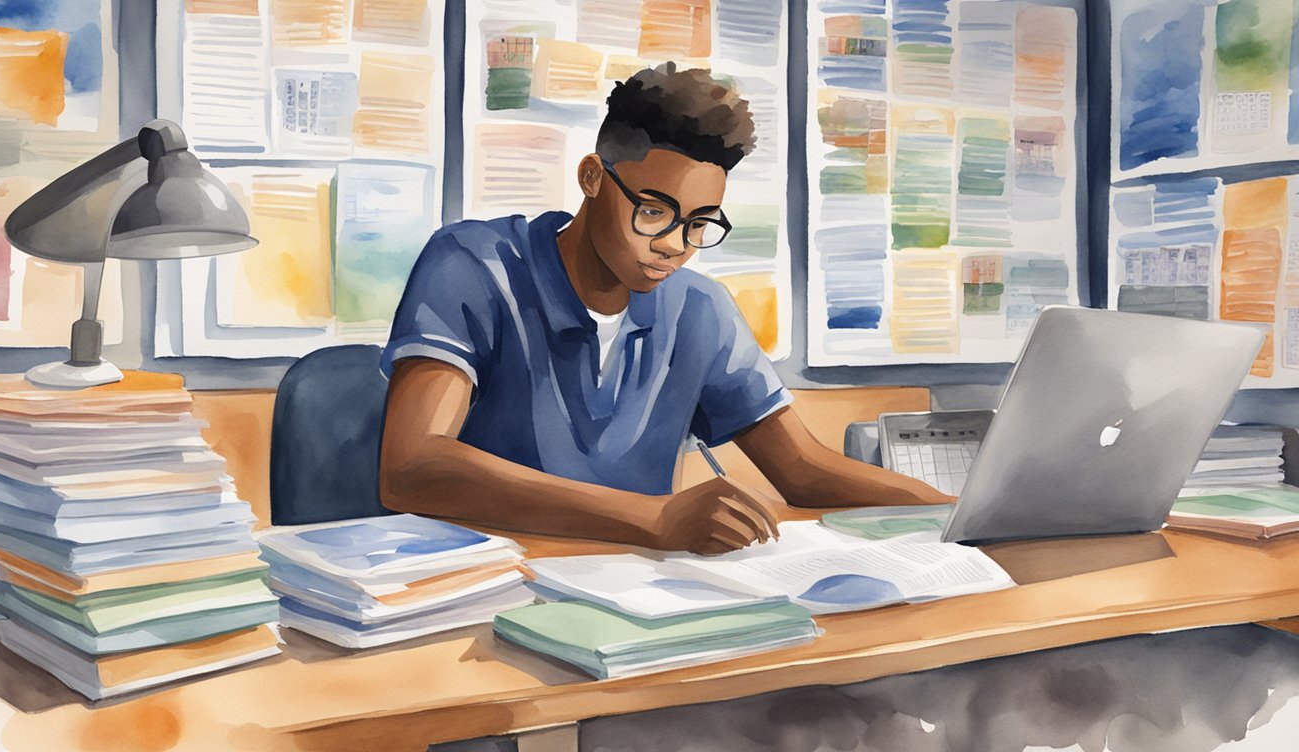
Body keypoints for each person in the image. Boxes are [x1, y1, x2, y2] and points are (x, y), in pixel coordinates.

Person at [379, 63, 947, 556]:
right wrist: (654, 519)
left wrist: (957, 511)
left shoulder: (697, 309)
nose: (676, 245)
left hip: (641, 597)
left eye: (699, 224)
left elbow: (800, 469)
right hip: (488, 594)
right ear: (593, 178)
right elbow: (412, 469)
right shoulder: (474, 264)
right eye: (654, 213)